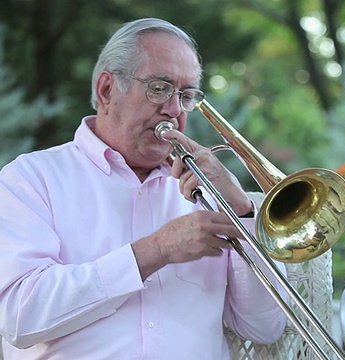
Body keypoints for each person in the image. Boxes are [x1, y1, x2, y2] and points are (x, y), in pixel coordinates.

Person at [0, 18, 288, 359]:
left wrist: (242, 212)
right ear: (107, 90)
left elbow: (263, 327)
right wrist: (155, 251)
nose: (173, 110)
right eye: (159, 88)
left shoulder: (209, 191)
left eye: (186, 95)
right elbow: (18, 317)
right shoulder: (31, 178)